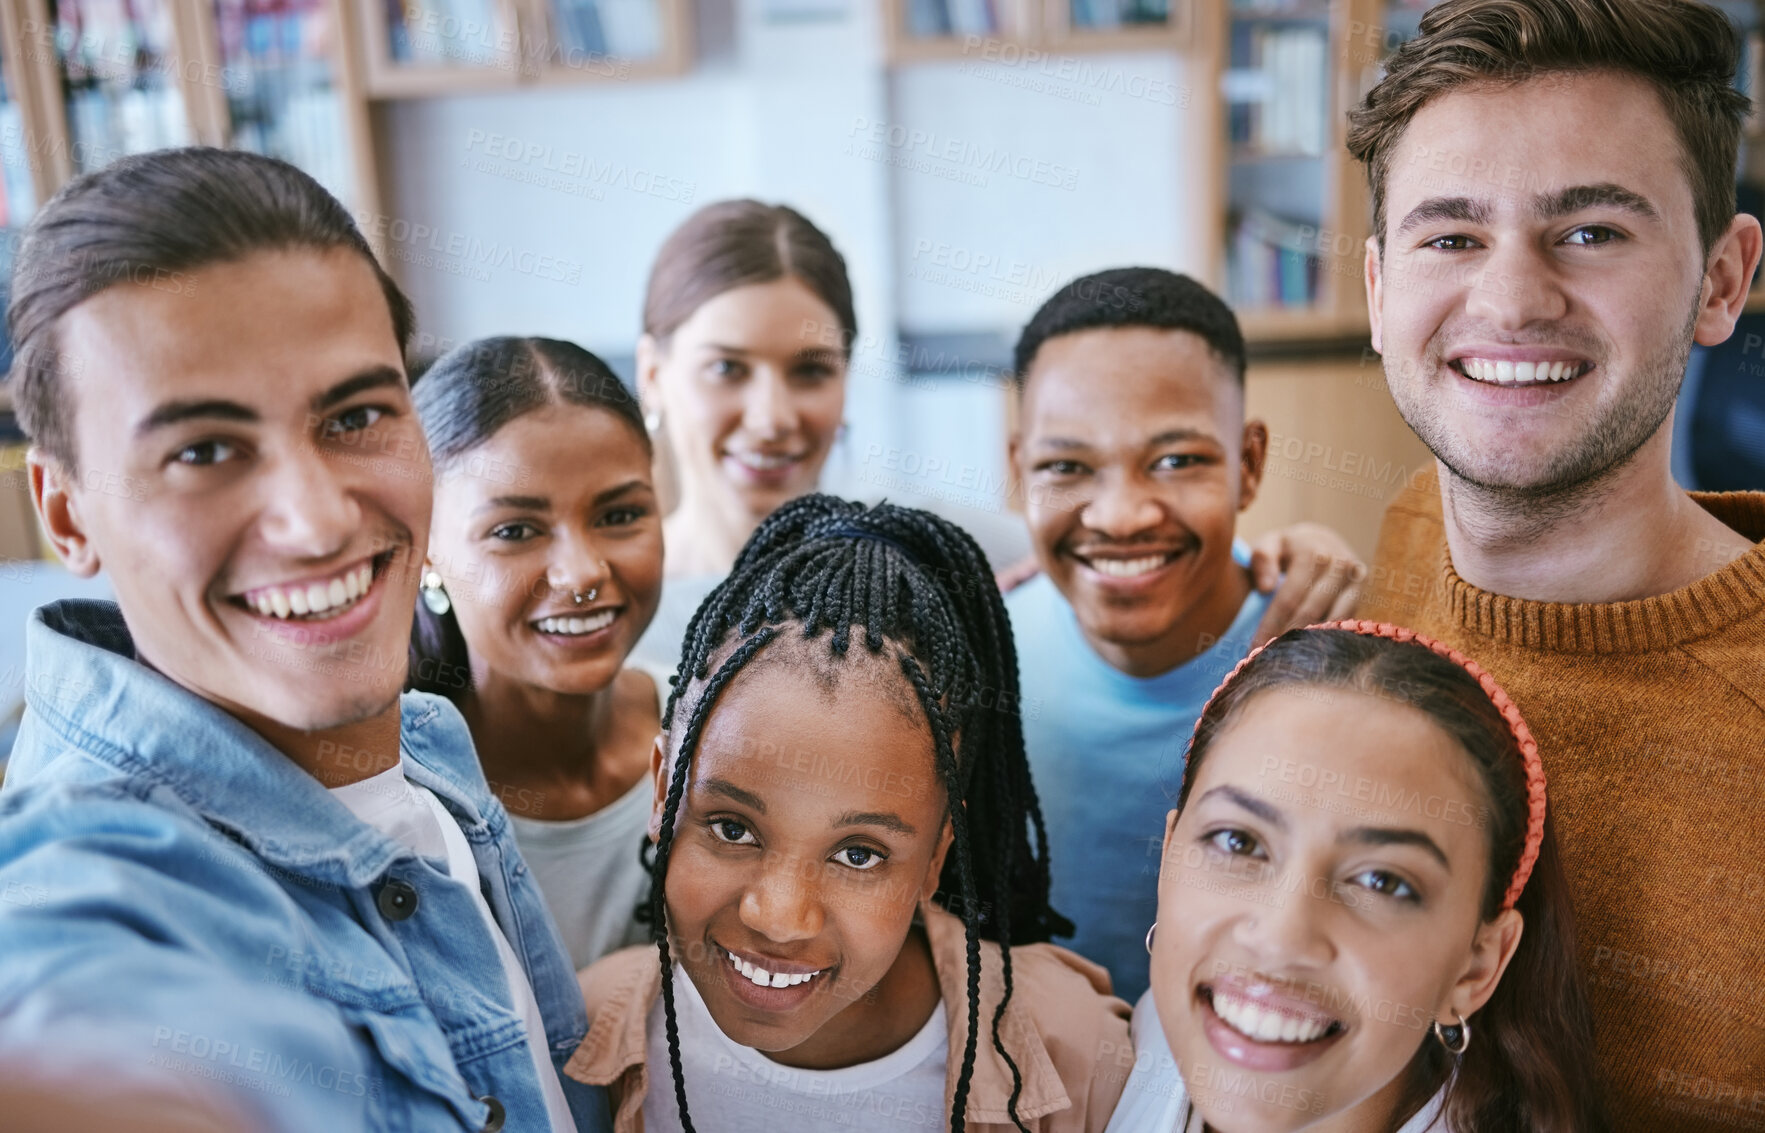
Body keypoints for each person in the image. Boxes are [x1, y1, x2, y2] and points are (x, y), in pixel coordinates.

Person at [0, 149, 606, 1132]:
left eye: (356, 414)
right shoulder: (104, 891)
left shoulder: (424, 743)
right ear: (65, 516)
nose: (317, 520)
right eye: (203, 450)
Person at [1347, 0, 1765, 1123]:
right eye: (1452, 235)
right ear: (1381, 293)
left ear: (1720, 281)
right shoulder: (1399, 537)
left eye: (1590, 231)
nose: (1513, 298)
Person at [564, 495, 1132, 1132]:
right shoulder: (580, 1034)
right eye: (732, 829)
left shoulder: (1074, 1054)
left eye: (858, 854)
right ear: (664, 793)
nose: (779, 919)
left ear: (939, 855)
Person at [629, 202, 1370, 674]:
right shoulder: (616, 608)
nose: (772, 415)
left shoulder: (917, 546)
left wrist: (1290, 551)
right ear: (654, 374)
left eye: (810, 369)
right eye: (726, 368)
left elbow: (1105, 539)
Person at [1005, 268, 1363, 1003]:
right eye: (1065, 466)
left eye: (1175, 461)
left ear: (1248, 464)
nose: (1121, 515)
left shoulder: (1324, 656)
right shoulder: (973, 652)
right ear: (1018, 473)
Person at [1108, 622, 1607, 1132]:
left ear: (1476, 968)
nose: (1281, 940)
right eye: (1238, 842)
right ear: (1169, 861)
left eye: (1383, 882)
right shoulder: (1098, 1062)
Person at [411, 336, 665, 968]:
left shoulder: (723, 734)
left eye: (620, 515)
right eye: (515, 531)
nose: (580, 572)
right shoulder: (398, 802)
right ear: (423, 549)